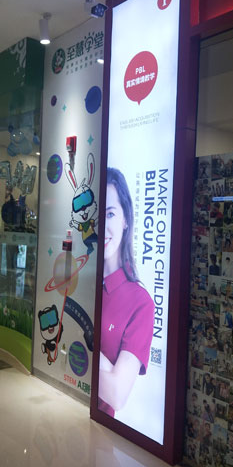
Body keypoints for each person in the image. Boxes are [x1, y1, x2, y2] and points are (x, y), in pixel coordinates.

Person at [98, 168, 153, 417]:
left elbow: (117, 394)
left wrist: (82, 342)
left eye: (110, 214)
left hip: (96, 429)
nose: (101, 225)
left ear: (125, 219)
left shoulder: (141, 303)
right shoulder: (79, 283)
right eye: (96, 215)